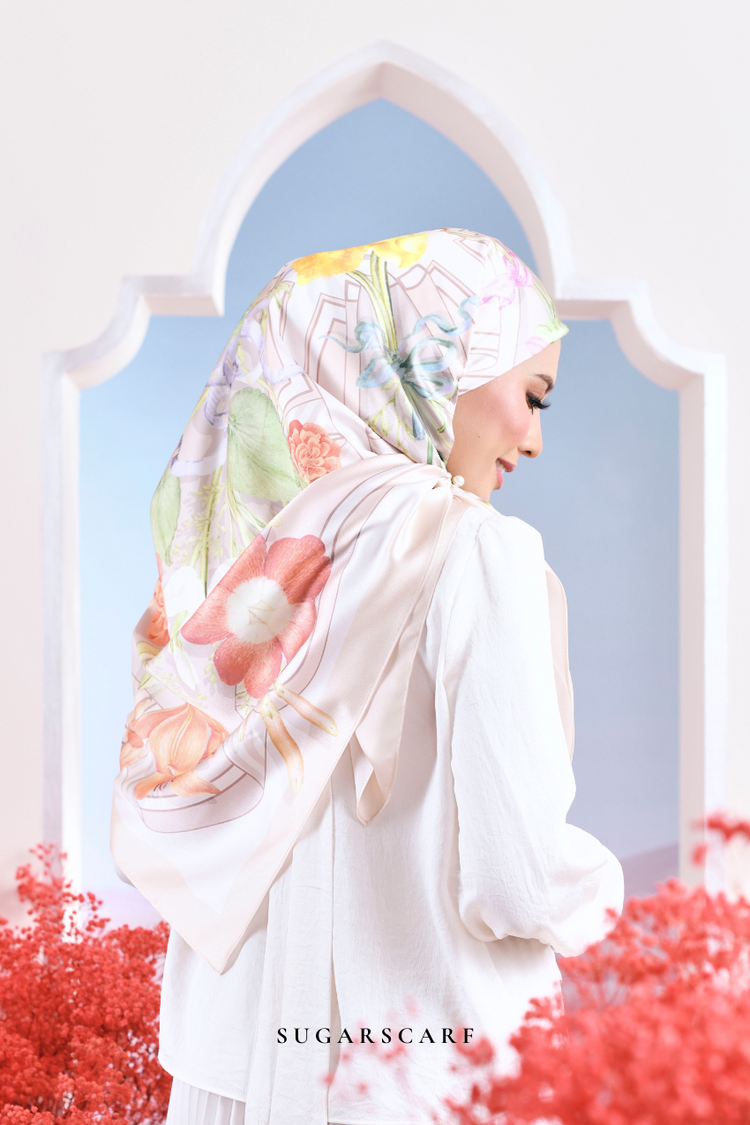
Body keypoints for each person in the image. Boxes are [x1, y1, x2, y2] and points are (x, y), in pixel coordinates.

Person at [111, 228, 624, 1125]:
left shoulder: (260, 565)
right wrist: (610, 904)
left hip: (235, 1065)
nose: (536, 440)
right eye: (532, 395)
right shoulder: (475, 552)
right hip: (422, 1071)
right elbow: (517, 875)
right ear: (440, 365)